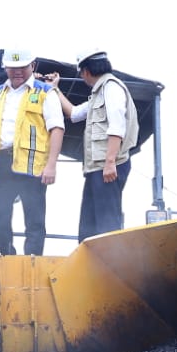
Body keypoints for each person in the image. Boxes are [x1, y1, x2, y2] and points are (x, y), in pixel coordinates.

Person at [0, 48, 65, 256]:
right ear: (5, 68)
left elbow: (57, 128)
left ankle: (32, 265)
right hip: (1, 164)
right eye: (12, 68)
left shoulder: (45, 92)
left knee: (34, 221)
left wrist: (51, 165)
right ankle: (1, 262)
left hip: (32, 166)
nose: (17, 72)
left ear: (33, 66)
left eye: (22, 67)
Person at [48, 51, 140, 241]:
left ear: (87, 71)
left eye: (81, 73)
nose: (82, 77)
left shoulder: (112, 88)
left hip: (108, 166)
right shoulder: (100, 92)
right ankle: (93, 263)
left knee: (107, 225)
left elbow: (117, 127)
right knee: (89, 227)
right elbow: (74, 113)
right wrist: (55, 89)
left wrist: (110, 162)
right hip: (97, 168)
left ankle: (111, 264)